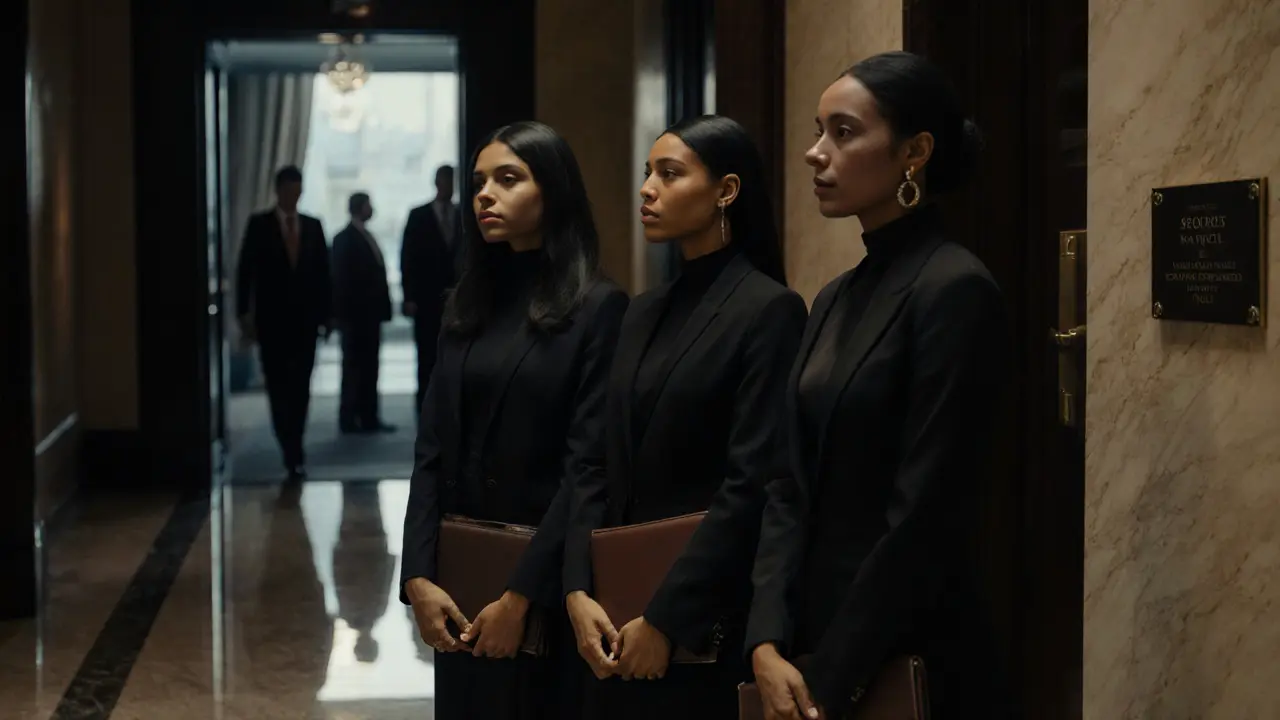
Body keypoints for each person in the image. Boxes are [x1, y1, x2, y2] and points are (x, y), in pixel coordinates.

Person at [745, 51, 1010, 720]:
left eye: (843, 131)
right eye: (817, 130)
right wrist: (766, 638)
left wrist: (833, 677)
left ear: (913, 152)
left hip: (902, 647)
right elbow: (786, 482)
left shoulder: (955, 289)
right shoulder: (834, 297)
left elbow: (927, 510)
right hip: (803, 641)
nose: (814, 153)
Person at [557, 115, 807, 719]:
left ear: (726, 190)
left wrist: (667, 618)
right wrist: (576, 588)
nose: (648, 188)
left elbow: (750, 485)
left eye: (669, 174)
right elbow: (594, 460)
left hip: (700, 623)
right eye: (648, 173)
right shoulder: (640, 312)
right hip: (611, 613)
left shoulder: (769, 310)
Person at [399, 121, 629, 719]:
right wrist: (418, 577)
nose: (484, 194)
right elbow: (430, 450)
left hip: (542, 584)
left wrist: (520, 598)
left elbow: (585, 467)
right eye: (479, 181)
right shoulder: (465, 303)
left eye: (508, 178)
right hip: (458, 581)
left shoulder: (597, 307)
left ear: (552, 192)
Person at [235, 165, 332, 480]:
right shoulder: (259, 225)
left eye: (298, 191)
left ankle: (296, 448)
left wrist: (328, 316)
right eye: (289, 191)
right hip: (272, 324)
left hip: (305, 324)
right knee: (278, 389)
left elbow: (324, 276)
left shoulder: (313, 227)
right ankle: (288, 448)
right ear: (278, 191)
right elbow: (244, 273)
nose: (294, 196)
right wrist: (242, 315)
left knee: (301, 389)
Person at [333, 192, 396, 434]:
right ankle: (350, 418)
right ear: (360, 207)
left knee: (369, 367)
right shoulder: (345, 239)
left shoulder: (365, 236)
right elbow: (341, 280)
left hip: (369, 318)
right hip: (355, 318)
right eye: (369, 205)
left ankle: (368, 416)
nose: (372, 209)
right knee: (354, 368)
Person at [400, 165, 460, 420]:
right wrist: (409, 296)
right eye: (444, 182)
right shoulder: (419, 216)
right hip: (425, 300)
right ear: (436, 183)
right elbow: (407, 258)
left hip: (456, 300)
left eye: (451, 182)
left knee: (454, 356)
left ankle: (450, 410)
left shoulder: (462, 216)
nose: (448, 187)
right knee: (426, 357)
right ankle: (424, 411)